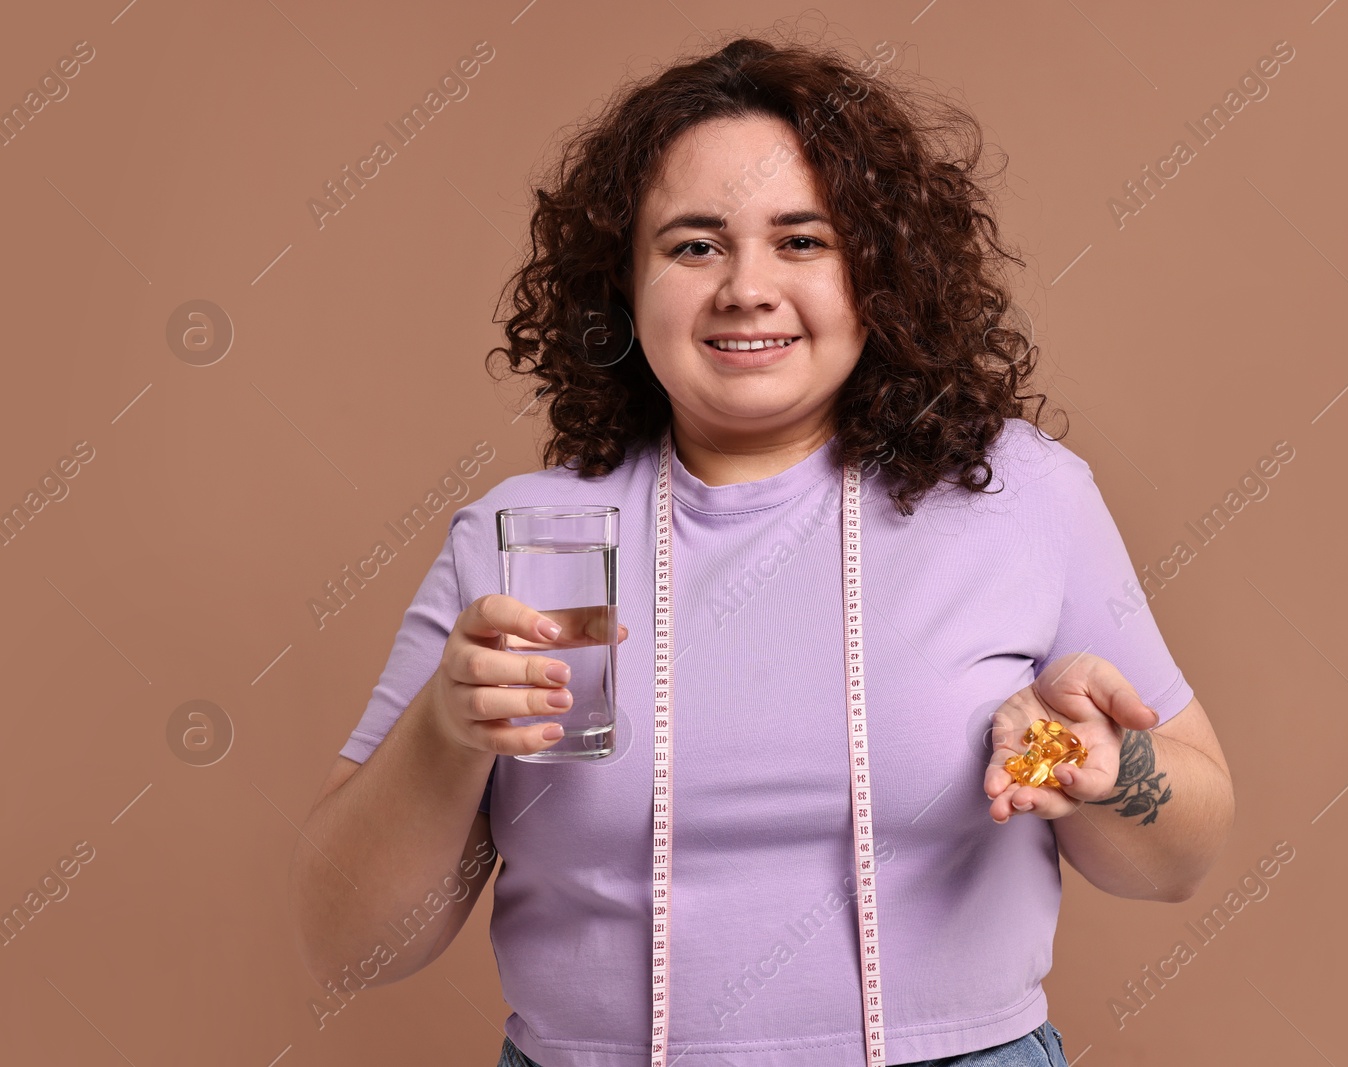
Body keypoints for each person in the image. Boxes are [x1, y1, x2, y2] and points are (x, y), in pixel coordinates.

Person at [288, 31, 1234, 1067]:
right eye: (694, 244)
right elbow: (351, 944)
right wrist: (446, 727)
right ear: (625, 283)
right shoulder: (526, 543)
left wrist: (1111, 766)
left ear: (878, 269)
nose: (746, 286)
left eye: (802, 240)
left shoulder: (1017, 494)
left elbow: (1179, 859)